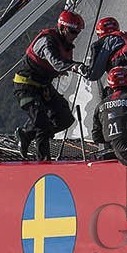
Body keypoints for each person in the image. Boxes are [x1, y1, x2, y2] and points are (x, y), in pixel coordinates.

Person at [14, 9, 85, 161]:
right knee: (43, 125)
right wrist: (74, 67)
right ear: (62, 27)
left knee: (65, 118)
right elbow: (56, 63)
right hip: (26, 86)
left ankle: (26, 134)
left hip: (43, 87)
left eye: (77, 32)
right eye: (72, 31)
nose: (74, 36)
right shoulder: (47, 41)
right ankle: (44, 162)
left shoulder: (65, 46)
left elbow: (57, 68)